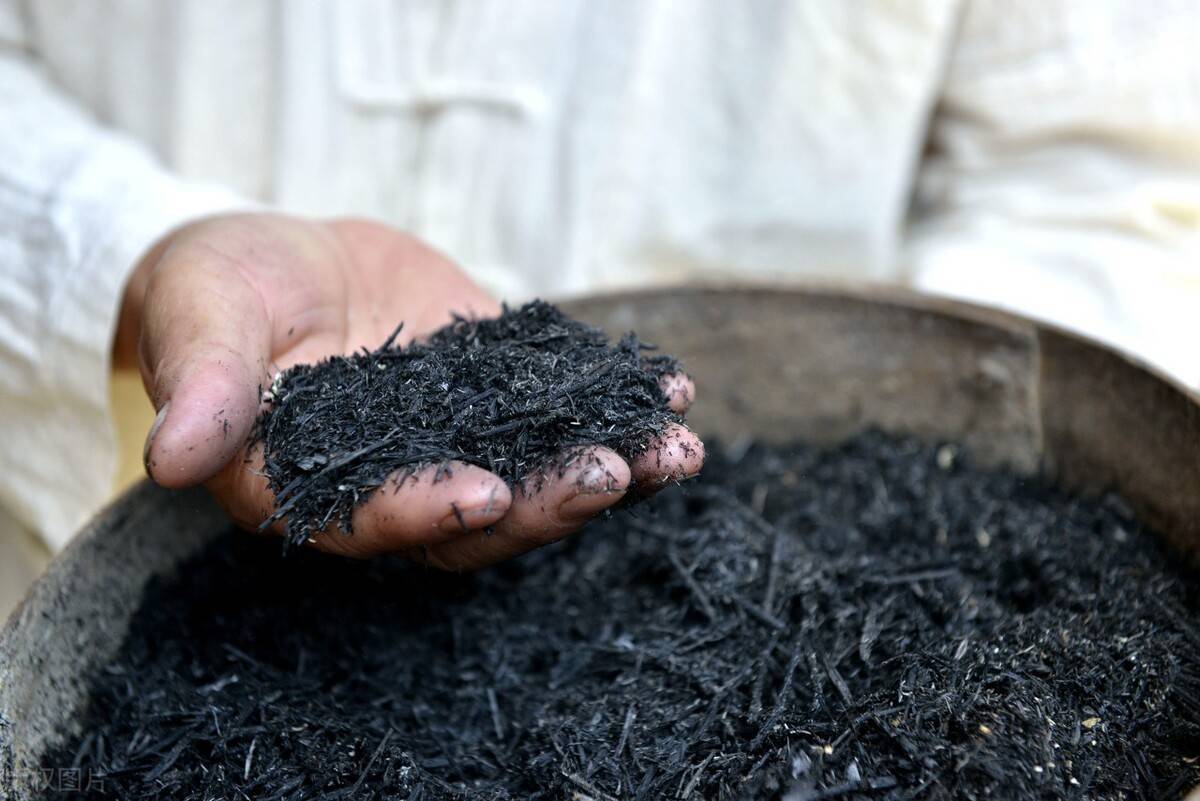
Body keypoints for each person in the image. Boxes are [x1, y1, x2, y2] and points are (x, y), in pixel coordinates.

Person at [2, 1, 1199, 616]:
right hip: (105, 495)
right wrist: (135, 246)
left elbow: (1098, 177)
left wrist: (910, 511)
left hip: (781, 469)